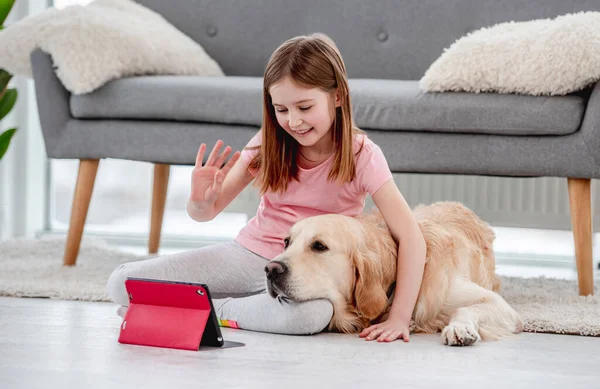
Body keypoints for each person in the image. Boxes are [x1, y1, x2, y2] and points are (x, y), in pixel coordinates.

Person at [106, 33, 426, 342]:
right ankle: (241, 307)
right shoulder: (268, 143)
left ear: (338, 96)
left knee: (310, 317)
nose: (293, 121)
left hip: (309, 269)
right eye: (281, 110)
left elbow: (410, 236)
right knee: (121, 282)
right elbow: (207, 213)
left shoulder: (362, 155)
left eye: (304, 107)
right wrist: (200, 201)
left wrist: (399, 317)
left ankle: (212, 310)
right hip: (249, 255)